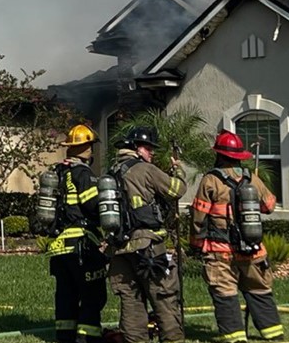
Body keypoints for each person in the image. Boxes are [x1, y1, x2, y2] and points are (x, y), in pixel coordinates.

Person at [191, 132, 283, 342]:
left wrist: (196, 243)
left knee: (225, 294)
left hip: (220, 251)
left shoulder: (211, 180)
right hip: (253, 250)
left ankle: (235, 338)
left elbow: (198, 217)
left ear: (219, 155)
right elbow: (269, 206)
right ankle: (274, 334)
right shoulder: (252, 178)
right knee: (259, 291)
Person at [107, 126, 186, 343]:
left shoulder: (111, 172)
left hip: (120, 249)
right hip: (147, 246)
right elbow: (176, 190)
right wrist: (178, 170)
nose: (151, 152)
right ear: (135, 147)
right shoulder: (144, 170)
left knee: (131, 300)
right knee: (164, 296)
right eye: (148, 147)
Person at [45, 124, 108, 343]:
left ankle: (65, 337)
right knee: (93, 295)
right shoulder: (83, 173)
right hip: (82, 244)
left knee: (66, 296)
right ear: (87, 148)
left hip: (60, 247)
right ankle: (89, 338)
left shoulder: (58, 172)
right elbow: (92, 205)